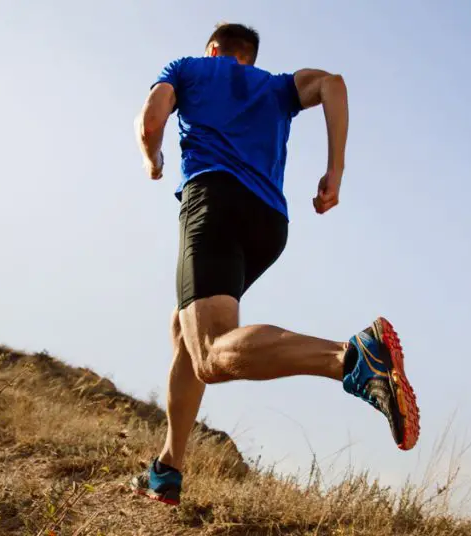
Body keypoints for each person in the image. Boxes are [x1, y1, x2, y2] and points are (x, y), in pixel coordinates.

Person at [129, 22, 420, 506]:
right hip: (269, 223)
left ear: (216, 50)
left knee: (210, 355)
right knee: (185, 326)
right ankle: (168, 467)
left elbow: (150, 122)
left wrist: (153, 158)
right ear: (251, 55)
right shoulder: (278, 86)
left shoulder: (189, 69)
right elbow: (334, 85)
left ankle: (350, 358)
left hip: (214, 200)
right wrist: (335, 172)